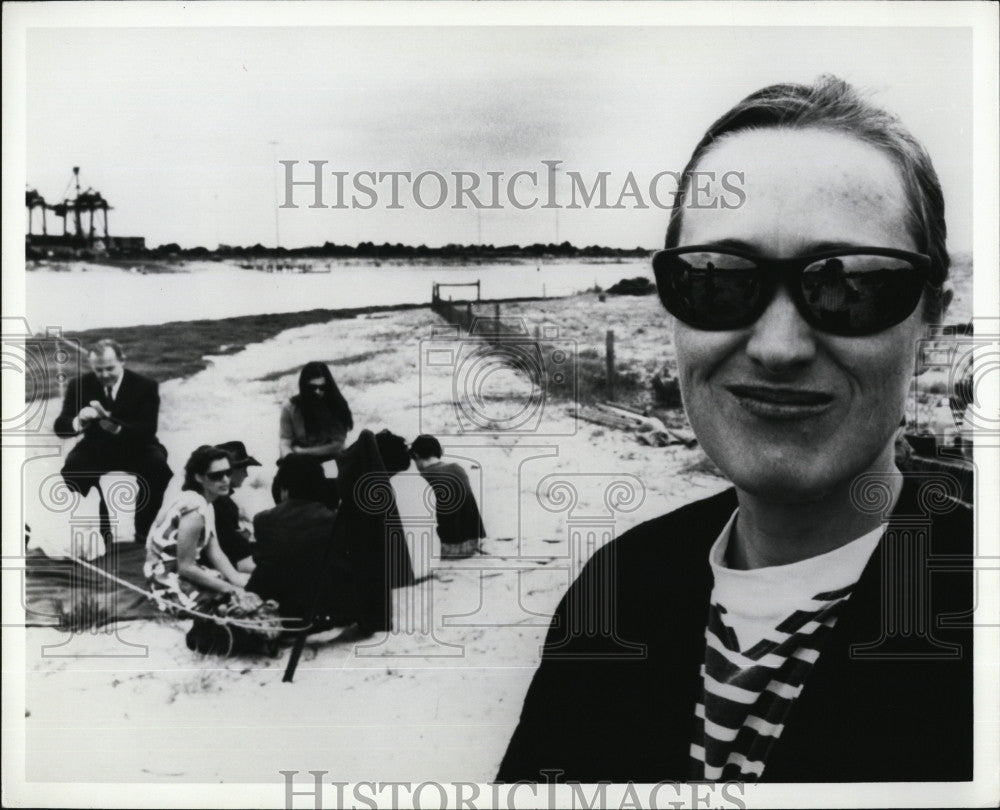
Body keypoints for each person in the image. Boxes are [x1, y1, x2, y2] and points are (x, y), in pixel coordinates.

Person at [498, 77, 972, 783]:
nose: (780, 347)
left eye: (853, 286)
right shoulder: (616, 595)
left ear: (930, 324)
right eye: (719, 280)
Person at [54, 339, 173, 545]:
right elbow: (60, 427)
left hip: (138, 446)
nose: (105, 375)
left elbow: (147, 430)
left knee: (159, 468)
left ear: (122, 361)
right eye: (99, 370)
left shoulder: (145, 386)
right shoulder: (79, 385)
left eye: (110, 368)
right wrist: (78, 420)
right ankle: (102, 533)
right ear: (92, 366)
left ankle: (143, 530)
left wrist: (113, 424)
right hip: (97, 447)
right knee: (73, 469)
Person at [144, 446, 262, 615]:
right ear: (199, 477)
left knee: (248, 589)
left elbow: (215, 552)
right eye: (216, 476)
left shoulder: (206, 503)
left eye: (228, 472)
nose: (225, 480)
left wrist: (237, 580)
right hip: (167, 579)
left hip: (180, 571)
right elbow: (186, 566)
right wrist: (231, 588)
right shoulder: (194, 511)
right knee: (235, 607)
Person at [248, 455, 339, 620]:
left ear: (284, 488)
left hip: (275, 605)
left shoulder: (262, 519)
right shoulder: (334, 520)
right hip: (321, 606)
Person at [278, 361, 353, 508]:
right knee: (283, 492)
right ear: (304, 387)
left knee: (333, 494)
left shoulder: (336, 405)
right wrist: (289, 460)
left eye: (322, 387)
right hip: (299, 462)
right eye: (313, 388)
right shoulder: (290, 408)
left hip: (330, 460)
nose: (318, 392)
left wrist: (303, 452)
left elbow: (337, 445)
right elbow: (285, 439)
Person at [409, 434, 486, 558]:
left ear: (416, 456)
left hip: (448, 547)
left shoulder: (424, 478)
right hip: (473, 543)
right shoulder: (457, 468)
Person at [210, 440, 261, 574]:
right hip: (227, 567)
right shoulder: (220, 504)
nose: (246, 474)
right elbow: (238, 558)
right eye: (243, 469)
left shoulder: (222, 501)